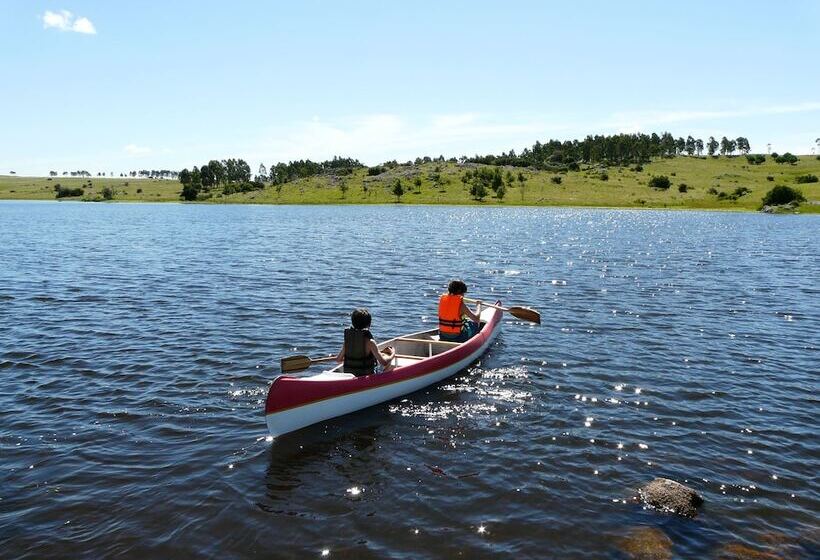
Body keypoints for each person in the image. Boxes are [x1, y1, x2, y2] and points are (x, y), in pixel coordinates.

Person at [336, 308, 395, 376]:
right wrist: (392, 354)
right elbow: (383, 362)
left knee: (382, 355)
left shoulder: (348, 341)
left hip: (350, 374)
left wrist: (353, 362)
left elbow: (338, 360)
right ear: (368, 324)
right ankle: (384, 382)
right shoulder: (370, 342)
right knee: (388, 360)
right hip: (366, 375)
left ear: (353, 322)